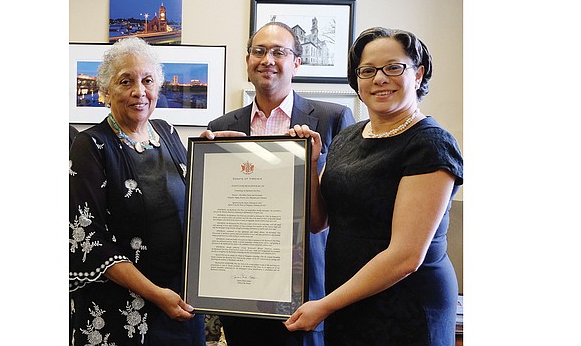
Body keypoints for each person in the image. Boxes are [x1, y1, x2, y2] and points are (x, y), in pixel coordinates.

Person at [284, 27, 463, 346]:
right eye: (367, 70)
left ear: (418, 74)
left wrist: (325, 305)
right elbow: (317, 222)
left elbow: (406, 256)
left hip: (406, 306)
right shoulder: (348, 137)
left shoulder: (431, 145)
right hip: (347, 301)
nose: (380, 78)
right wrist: (311, 165)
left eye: (394, 67)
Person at [202, 21, 355, 346]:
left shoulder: (333, 120)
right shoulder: (221, 127)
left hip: (306, 294)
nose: (267, 59)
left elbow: (338, 214)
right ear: (247, 61)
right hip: (240, 290)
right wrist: (206, 166)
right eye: (259, 51)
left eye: (278, 52)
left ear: (296, 62)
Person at [69, 37, 205, 346]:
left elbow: (196, 205)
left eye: (147, 81)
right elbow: (88, 238)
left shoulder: (168, 133)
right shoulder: (90, 146)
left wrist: (221, 156)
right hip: (120, 312)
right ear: (106, 91)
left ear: (158, 87)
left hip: (181, 304)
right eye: (125, 81)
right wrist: (155, 294)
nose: (139, 92)